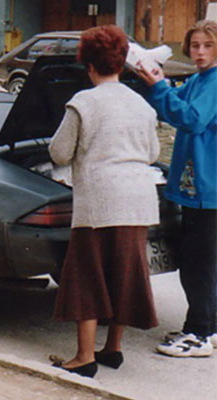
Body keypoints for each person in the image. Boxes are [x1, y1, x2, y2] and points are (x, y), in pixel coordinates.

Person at [49, 25, 161, 377]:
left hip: (99, 202)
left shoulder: (84, 101)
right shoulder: (140, 104)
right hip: (138, 201)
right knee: (123, 272)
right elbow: (154, 151)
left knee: (87, 274)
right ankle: (112, 348)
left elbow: (60, 151)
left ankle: (84, 357)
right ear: (121, 64)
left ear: (89, 65)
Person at [139, 20, 217, 357]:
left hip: (207, 189)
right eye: (195, 45)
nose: (199, 52)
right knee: (206, 261)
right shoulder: (200, 79)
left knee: (197, 262)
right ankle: (208, 327)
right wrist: (156, 84)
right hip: (199, 187)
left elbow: (191, 118)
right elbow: (169, 103)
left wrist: (158, 87)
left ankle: (198, 334)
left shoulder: (214, 83)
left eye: (207, 46)